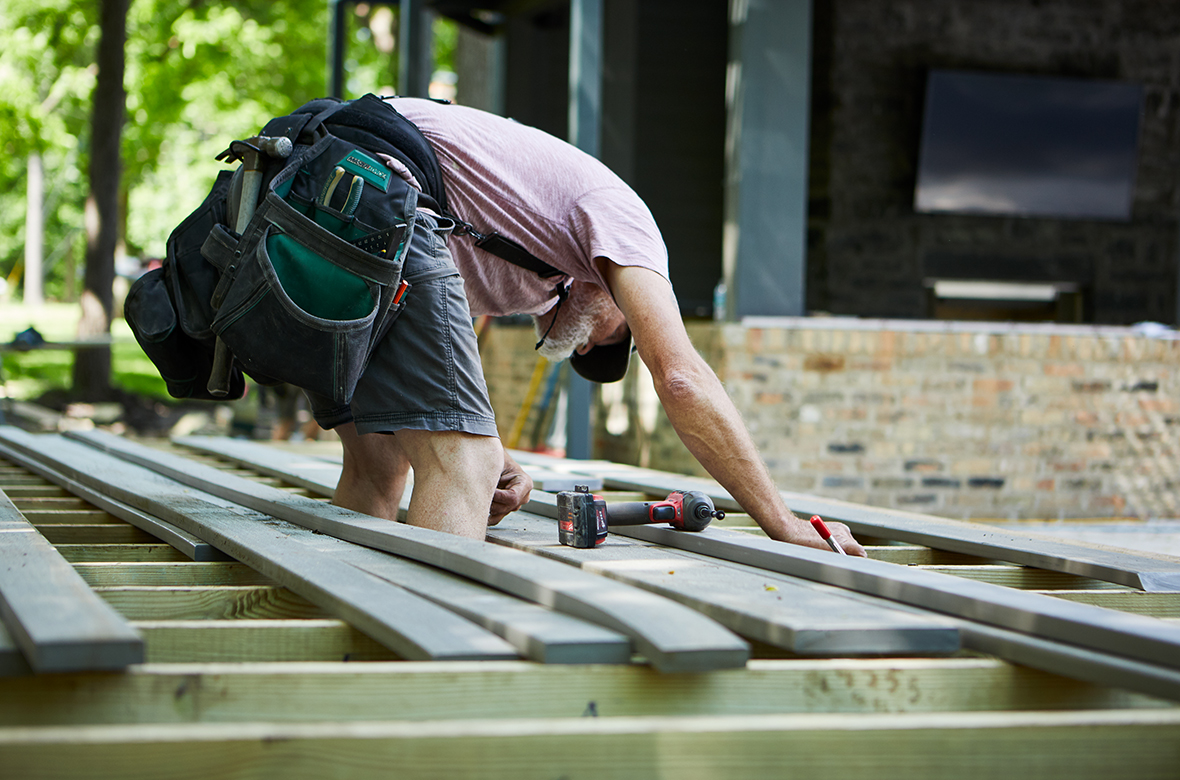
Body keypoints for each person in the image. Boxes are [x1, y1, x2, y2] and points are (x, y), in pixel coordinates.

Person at [314, 97, 865, 557]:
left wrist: (495, 454)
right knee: (465, 464)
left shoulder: (512, 260)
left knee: (380, 464)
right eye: (618, 336)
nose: (592, 344)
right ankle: (435, 675)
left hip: (314, 193)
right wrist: (782, 523)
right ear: (617, 294)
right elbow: (679, 379)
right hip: (375, 186)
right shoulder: (627, 222)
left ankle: (347, 658)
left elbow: (418, 380)